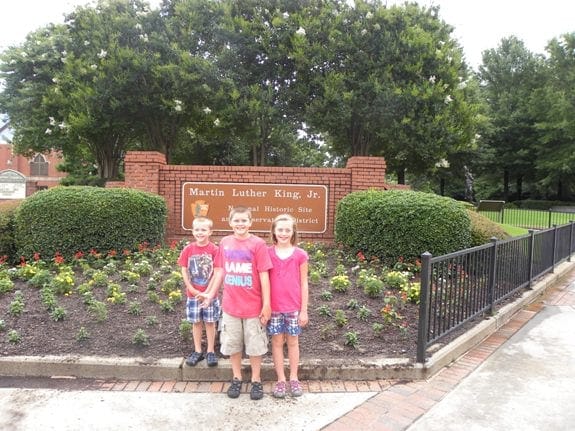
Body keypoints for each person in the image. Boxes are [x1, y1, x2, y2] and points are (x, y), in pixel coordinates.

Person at [200, 206, 272, 400]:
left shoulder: (258, 244)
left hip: (253, 308)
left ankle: (256, 380)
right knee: (233, 345)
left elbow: (264, 275)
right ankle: (237, 378)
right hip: (230, 307)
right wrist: (210, 294)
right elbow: (220, 271)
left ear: (250, 222)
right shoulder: (225, 242)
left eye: (244, 220)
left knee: (255, 346)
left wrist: (266, 304)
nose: (240, 224)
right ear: (230, 222)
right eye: (236, 220)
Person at [266, 214, 309, 398]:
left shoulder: (300, 255)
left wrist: (304, 310)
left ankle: (294, 377)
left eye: (287, 230)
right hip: (274, 308)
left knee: (293, 342)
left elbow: (304, 283)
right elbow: (263, 281)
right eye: (280, 230)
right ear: (274, 231)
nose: (283, 233)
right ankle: (281, 379)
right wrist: (265, 307)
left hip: (293, 308)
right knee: (277, 343)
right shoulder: (267, 253)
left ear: (293, 232)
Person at [177, 216, 219, 367]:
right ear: (193, 231)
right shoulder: (188, 249)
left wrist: (207, 292)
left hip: (210, 295)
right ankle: (197, 350)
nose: (200, 232)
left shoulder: (214, 250)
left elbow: (216, 272)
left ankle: (210, 351)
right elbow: (184, 269)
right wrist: (191, 289)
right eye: (197, 230)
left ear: (210, 232)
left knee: (210, 322)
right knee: (196, 323)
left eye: (203, 230)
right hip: (193, 295)